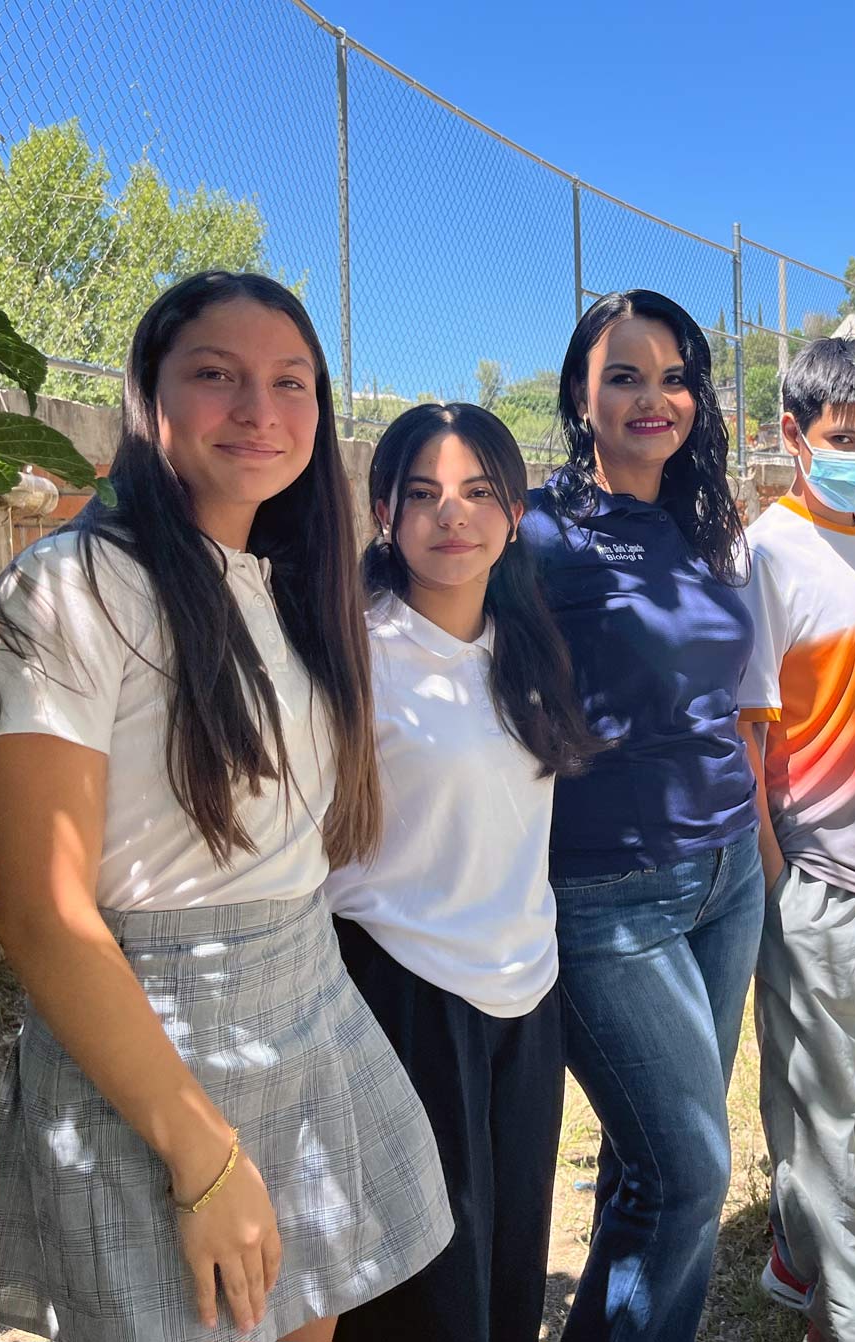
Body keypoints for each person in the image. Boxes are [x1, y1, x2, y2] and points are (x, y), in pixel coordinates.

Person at [0, 271, 452, 1342]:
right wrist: (202, 1154)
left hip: (303, 1009)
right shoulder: (68, 592)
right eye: (216, 375)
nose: (261, 411)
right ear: (148, 395)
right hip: (156, 1062)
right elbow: (45, 919)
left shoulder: (280, 586)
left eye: (292, 382)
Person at [326, 403, 603, 1342]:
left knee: (511, 1255)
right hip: (403, 988)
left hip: (524, 987)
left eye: (480, 492)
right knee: (427, 1278)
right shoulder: (352, 655)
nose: (455, 516)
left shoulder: (525, 644)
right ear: (382, 514)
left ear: (515, 512)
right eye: (425, 494)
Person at [523, 289, 763, 1342]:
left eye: (673, 376)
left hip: (725, 876)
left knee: (648, 1163)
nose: (652, 396)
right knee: (690, 1169)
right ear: (581, 397)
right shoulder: (534, 530)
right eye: (623, 374)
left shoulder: (694, 524)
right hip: (606, 894)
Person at [737, 337, 855, 1342]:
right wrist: (777, 879)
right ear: (792, 435)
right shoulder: (767, 551)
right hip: (810, 871)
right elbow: (744, 727)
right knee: (820, 1113)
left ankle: (796, 1264)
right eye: (846, 437)